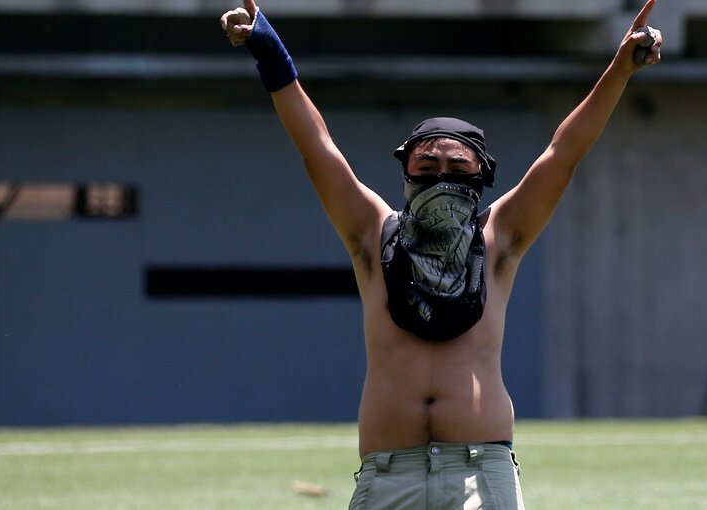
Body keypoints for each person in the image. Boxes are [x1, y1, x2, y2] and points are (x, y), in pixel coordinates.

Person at [220, 1, 662, 508]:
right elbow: (317, 147)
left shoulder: (499, 240)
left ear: (481, 178)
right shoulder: (372, 234)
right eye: (426, 163)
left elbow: (563, 154)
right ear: (405, 171)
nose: (441, 174)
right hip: (388, 475)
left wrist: (620, 69)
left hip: (481, 471)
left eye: (457, 165)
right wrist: (267, 47)